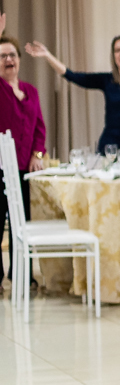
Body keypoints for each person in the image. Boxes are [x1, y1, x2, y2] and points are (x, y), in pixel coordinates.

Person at [26, 35, 120, 153]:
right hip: (110, 147)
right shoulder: (107, 80)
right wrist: (47, 55)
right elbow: (72, 76)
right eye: (117, 50)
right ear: (113, 56)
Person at [0, 35, 46, 283]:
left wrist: (37, 154)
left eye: (12, 55)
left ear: (19, 59)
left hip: (23, 169)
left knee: (22, 225)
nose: (8, 59)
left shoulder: (31, 91)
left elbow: (39, 127)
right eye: (2, 56)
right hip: (0, 168)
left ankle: (22, 276)